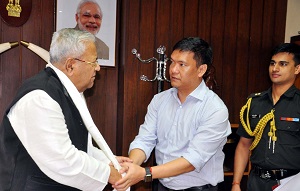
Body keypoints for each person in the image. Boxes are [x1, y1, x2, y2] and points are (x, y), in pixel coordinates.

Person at [0, 28, 130, 191]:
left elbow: (82, 146)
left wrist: (110, 161)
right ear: (70, 66)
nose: (97, 68)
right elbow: (62, 160)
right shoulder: (40, 97)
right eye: (94, 62)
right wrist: (108, 173)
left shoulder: (67, 91)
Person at [113, 37, 232, 191]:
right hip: (161, 185)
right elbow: (145, 139)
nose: (173, 69)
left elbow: (192, 160)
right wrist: (131, 165)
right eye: (172, 62)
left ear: (201, 70)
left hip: (198, 188)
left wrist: (144, 173)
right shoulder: (160, 100)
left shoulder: (215, 109)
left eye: (182, 64)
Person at [231, 43, 300, 191]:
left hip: (291, 182)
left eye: (283, 64)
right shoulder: (254, 102)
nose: (275, 69)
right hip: (256, 181)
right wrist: (236, 183)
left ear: (297, 69)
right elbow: (244, 145)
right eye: (272, 63)